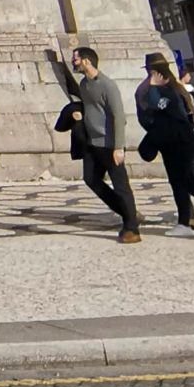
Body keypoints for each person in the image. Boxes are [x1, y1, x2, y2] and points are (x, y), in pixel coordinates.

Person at [134, 53, 194, 239]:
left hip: (179, 140)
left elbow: (152, 114)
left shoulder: (154, 89)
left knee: (186, 180)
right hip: (183, 139)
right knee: (192, 179)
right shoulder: (173, 87)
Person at [68, 45, 140, 243]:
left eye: (75, 59)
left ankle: (132, 228)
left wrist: (119, 146)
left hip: (109, 143)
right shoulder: (83, 84)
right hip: (93, 143)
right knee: (90, 178)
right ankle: (127, 211)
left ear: (86, 61)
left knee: (121, 186)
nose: (73, 62)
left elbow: (118, 116)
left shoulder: (108, 85)